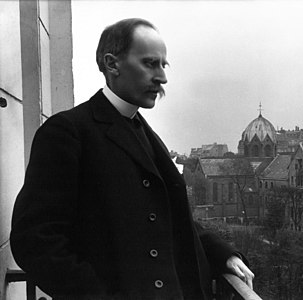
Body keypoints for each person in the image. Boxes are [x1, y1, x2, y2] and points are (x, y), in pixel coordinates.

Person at [10, 18, 254, 299]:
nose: (162, 77)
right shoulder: (67, 132)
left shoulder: (140, 129)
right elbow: (35, 241)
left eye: (164, 65)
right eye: (150, 64)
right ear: (112, 64)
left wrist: (224, 255)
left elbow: (164, 219)